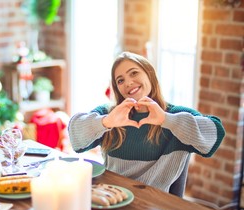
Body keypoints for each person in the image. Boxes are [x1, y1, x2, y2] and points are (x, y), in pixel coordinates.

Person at [68, 51, 225, 197]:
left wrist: (166, 119)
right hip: (111, 197)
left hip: (152, 206)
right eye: (120, 80)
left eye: (134, 73)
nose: (128, 82)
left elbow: (214, 134)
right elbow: (76, 138)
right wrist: (106, 122)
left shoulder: (174, 115)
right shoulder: (111, 113)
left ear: (150, 74)